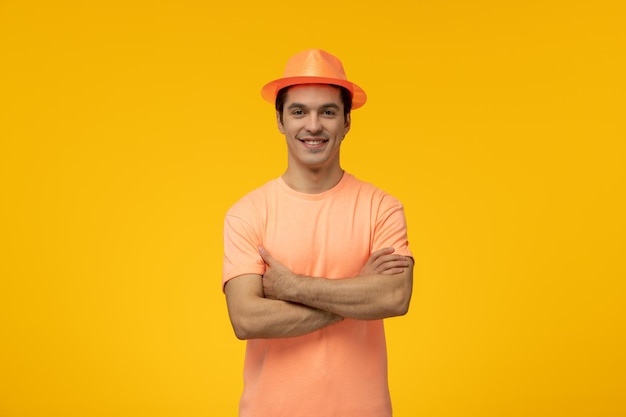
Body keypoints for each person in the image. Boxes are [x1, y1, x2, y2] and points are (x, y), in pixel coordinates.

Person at [222, 49, 414, 417]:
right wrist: (358, 291)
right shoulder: (247, 213)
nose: (313, 125)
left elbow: (395, 298)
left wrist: (291, 286)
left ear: (346, 122)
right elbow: (246, 319)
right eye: (299, 112)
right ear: (279, 120)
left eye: (327, 111)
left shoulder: (382, 207)